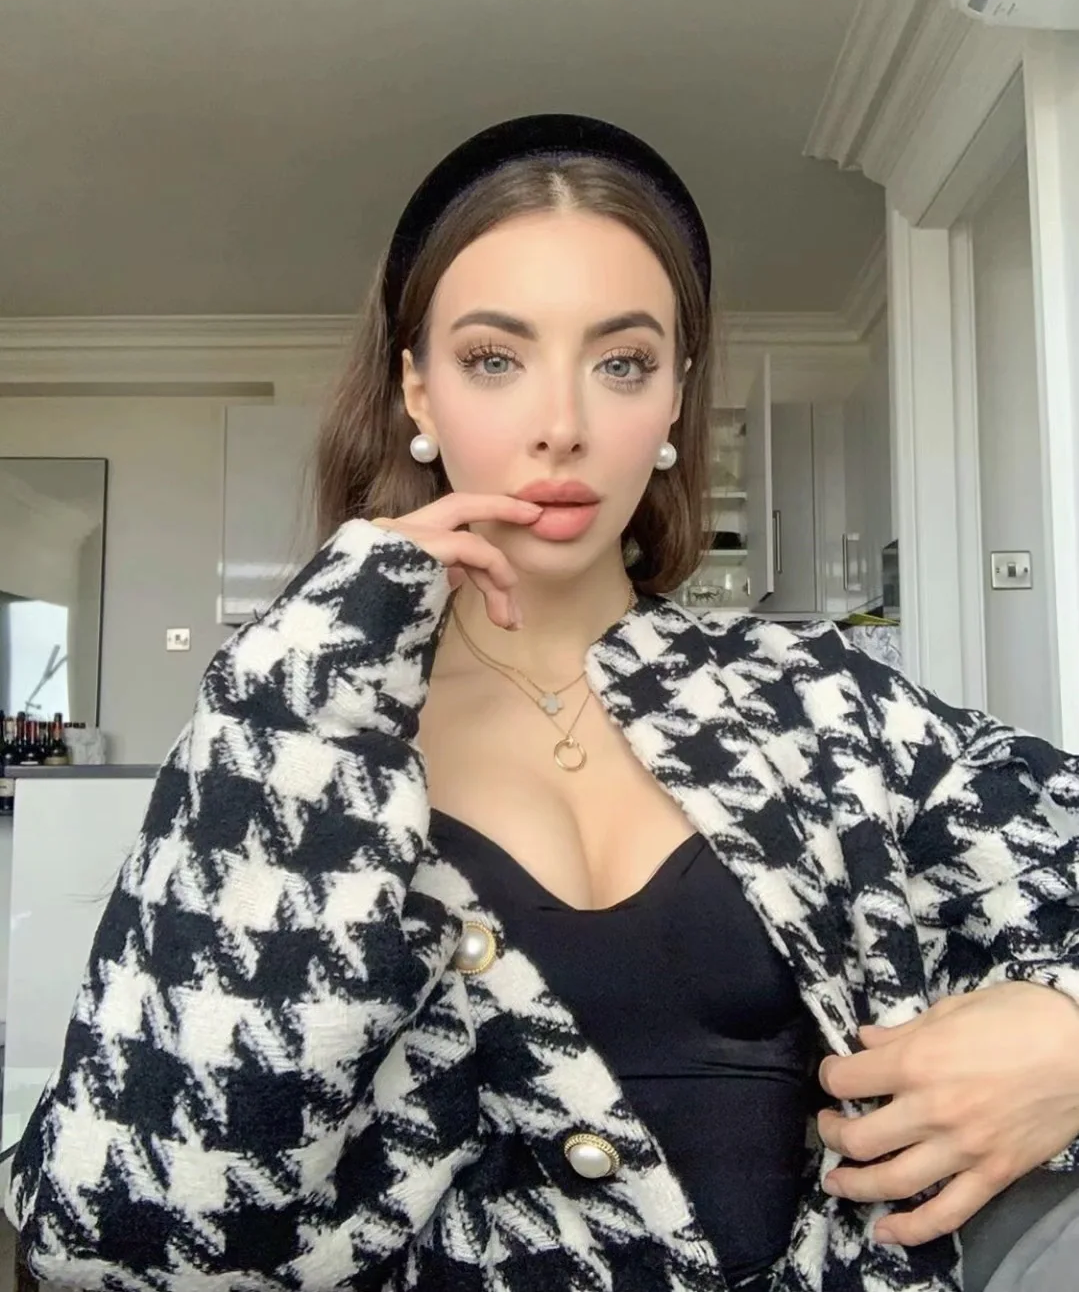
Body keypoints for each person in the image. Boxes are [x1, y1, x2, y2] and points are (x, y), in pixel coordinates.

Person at [6, 114, 1079, 1292]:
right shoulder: (302, 730)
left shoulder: (823, 699)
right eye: (492, 358)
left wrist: (1068, 1040)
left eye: (621, 363)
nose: (560, 425)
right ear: (417, 390)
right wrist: (309, 689)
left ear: (673, 399)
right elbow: (127, 1234)